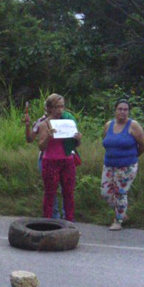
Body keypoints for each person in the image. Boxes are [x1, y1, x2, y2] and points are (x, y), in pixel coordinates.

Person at [37, 94, 82, 222]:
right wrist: (48, 137)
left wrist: (78, 139)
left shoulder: (67, 121)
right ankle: (48, 222)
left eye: (62, 107)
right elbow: (41, 147)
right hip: (50, 161)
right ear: (49, 108)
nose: (60, 110)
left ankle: (69, 222)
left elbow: (75, 144)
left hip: (67, 160)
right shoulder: (44, 124)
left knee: (68, 193)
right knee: (50, 194)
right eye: (56, 107)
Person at [101, 99, 144, 230]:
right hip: (109, 165)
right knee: (106, 193)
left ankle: (118, 220)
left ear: (128, 111)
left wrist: (132, 157)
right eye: (120, 109)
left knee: (120, 193)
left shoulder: (133, 125)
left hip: (127, 166)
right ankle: (122, 211)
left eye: (126, 109)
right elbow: (105, 141)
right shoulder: (108, 125)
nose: (123, 112)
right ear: (115, 110)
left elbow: (143, 145)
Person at [24, 102, 63, 219]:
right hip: (46, 158)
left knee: (65, 189)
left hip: (63, 159)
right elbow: (30, 139)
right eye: (49, 107)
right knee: (51, 189)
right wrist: (27, 125)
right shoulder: (41, 122)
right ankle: (54, 216)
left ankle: (66, 217)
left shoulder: (65, 119)